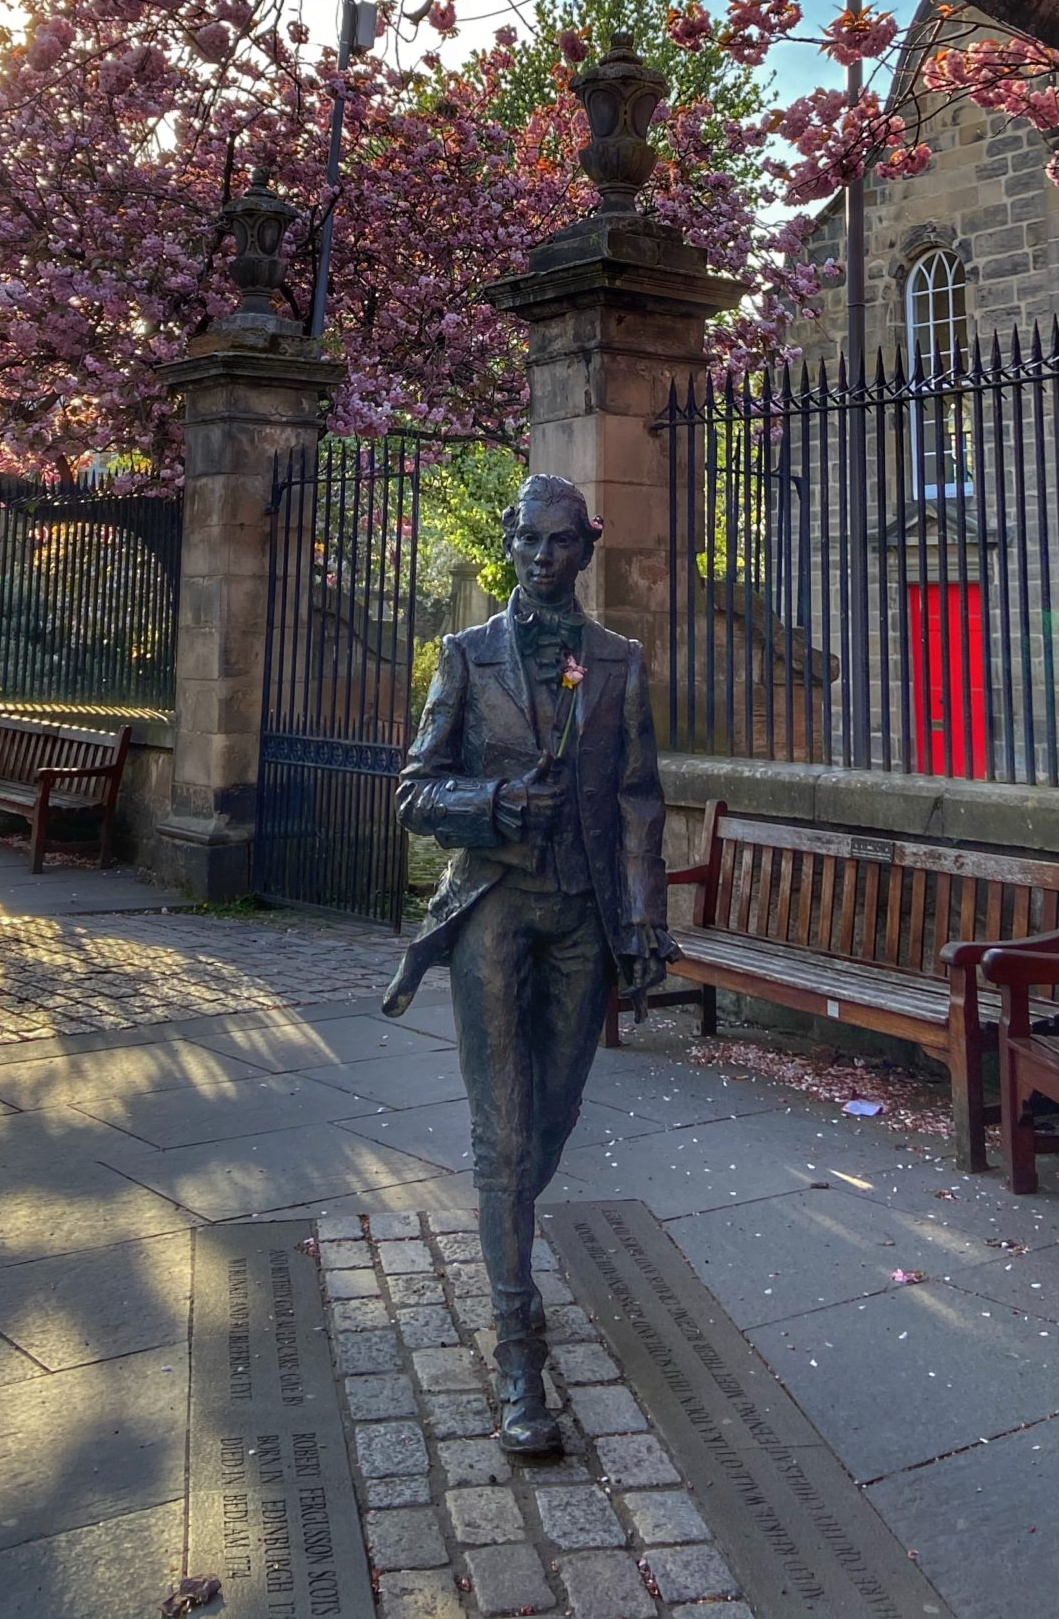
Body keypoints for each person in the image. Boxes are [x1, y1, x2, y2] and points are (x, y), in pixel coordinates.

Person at [381, 474, 673, 1454]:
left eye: (561, 541)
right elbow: (416, 792)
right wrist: (497, 806)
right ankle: (520, 1354)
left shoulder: (621, 661)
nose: (544, 557)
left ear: (586, 549)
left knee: (552, 1119)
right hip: (494, 913)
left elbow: (638, 800)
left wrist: (645, 923)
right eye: (530, 541)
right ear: (510, 545)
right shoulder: (465, 657)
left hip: (585, 918)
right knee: (505, 1136)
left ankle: (505, 1214)